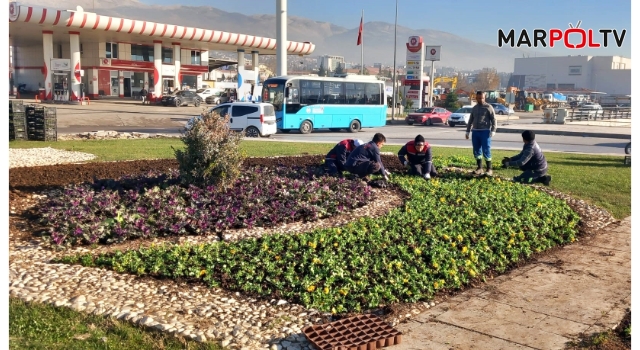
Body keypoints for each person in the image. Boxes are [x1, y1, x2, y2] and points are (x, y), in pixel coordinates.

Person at [465, 91, 497, 175]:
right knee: (476, 150)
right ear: (476, 98)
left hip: (485, 132)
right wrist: (467, 131)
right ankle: (479, 168)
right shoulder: (474, 108)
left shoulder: (488, 107)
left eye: (482, 98)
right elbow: (470, 120)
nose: (480, 99)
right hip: (475, 132)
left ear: (484, 97)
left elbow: (494, 119)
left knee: (486, 149)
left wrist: (493, 130)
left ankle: (489, 169)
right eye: (479, 98)